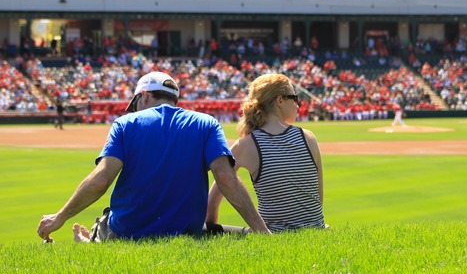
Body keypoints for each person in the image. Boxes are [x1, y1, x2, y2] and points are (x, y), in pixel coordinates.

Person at [37, 71, 270, 243]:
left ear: (145, 95)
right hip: (188, 233)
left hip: (127, 233)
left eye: (136, 103)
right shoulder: (206, 123)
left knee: (106, 223)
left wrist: (60, 216)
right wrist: (262, 231)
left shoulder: (125, 123)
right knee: (240, 235)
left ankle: (93, 243)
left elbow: (100, 180)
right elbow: (226, 178)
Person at [206, 73, 325, 232]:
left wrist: (210, 229)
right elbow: (318, 201)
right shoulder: (309, 138)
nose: (298, 105)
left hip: (271, 235)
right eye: (294, 98)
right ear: (280, 100)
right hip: (315, 230)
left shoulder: (245, 145)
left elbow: (212, 203)